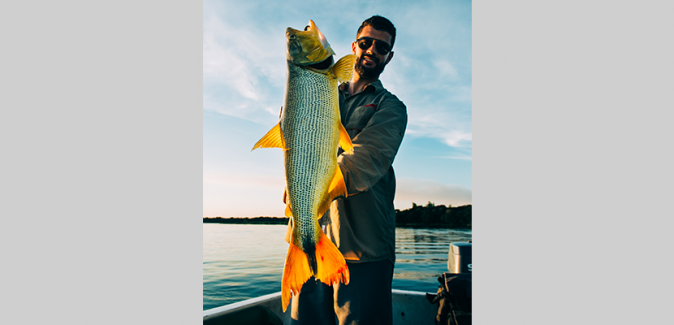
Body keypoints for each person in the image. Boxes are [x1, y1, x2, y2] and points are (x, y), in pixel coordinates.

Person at [289, 15, 408, 325]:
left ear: (389, 56)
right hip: (310, 240)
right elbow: (296, 145)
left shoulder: (391, 107)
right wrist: (300, 208)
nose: (372, 50)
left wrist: (311, 196)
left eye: (381, 47)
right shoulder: (322, 90)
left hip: (363, 248)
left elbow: (368, 158)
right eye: (366, 42)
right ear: (354, 45)